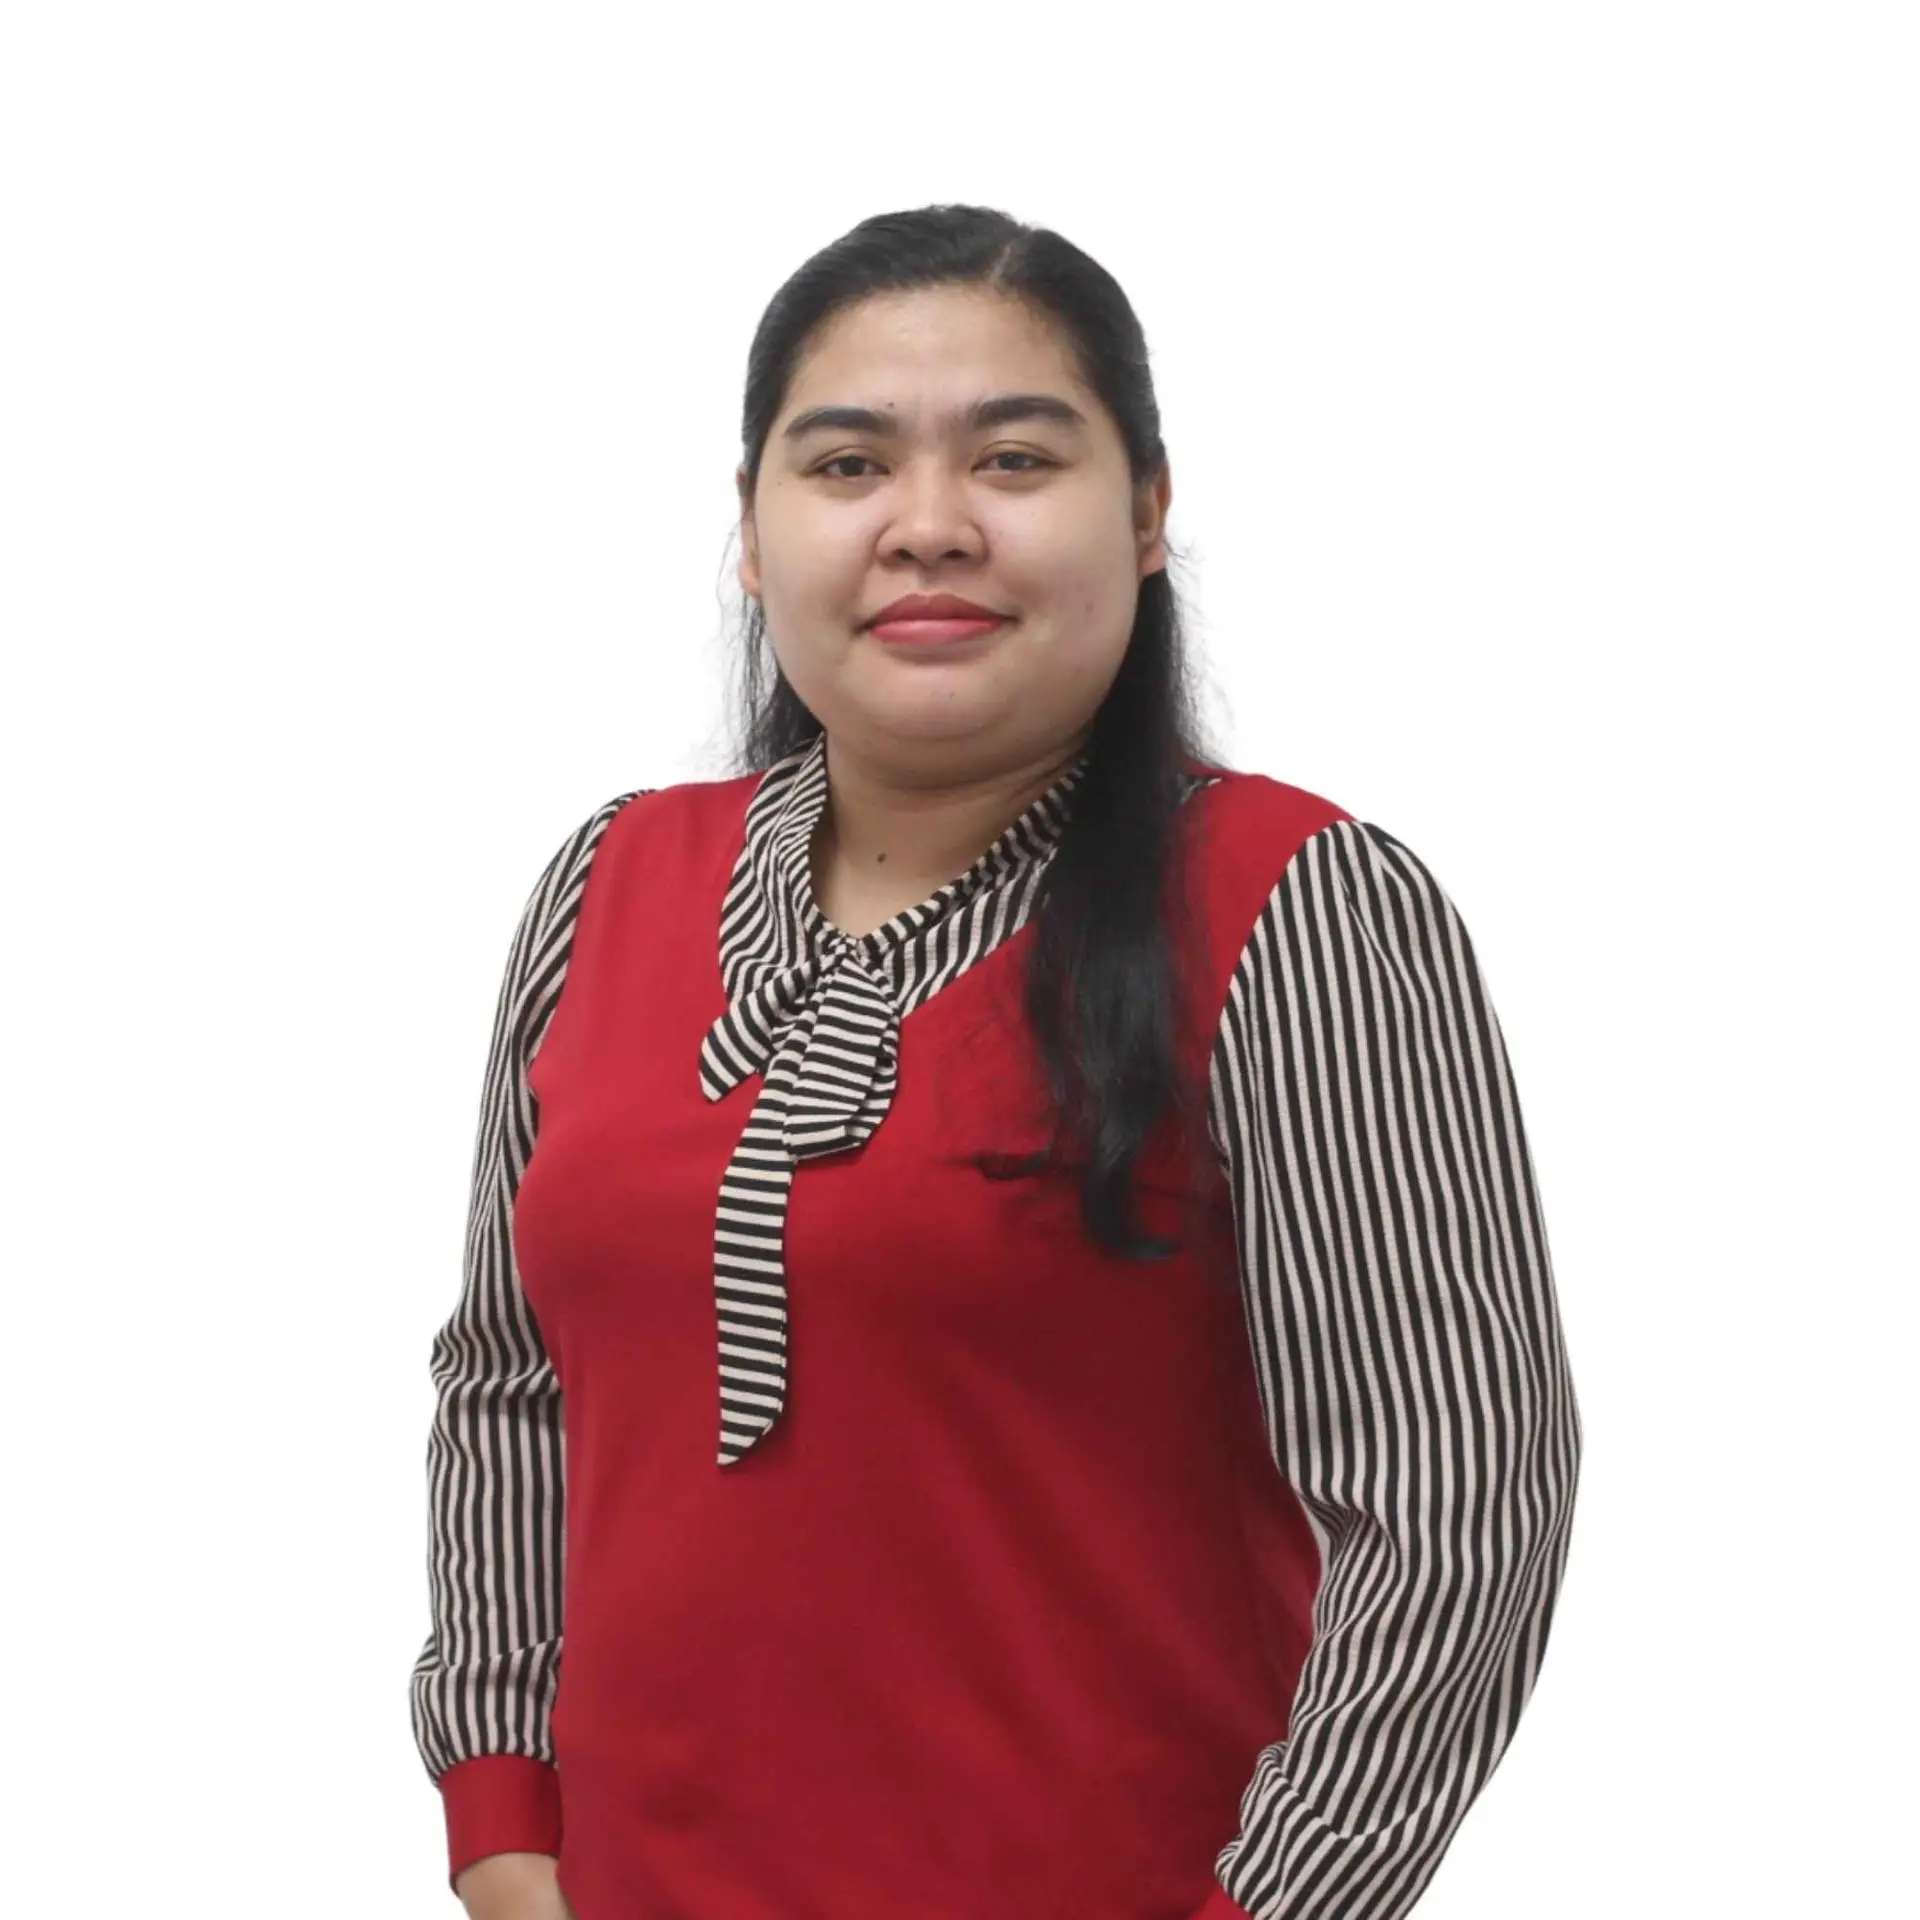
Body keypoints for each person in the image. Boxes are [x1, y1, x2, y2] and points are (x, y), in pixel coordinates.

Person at [408, 202, 1583, 1920]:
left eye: (1016, 458)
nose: (929, 527)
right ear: (749, 529)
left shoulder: (1299, 908)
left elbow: (1457, 1506)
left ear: (1151, 512)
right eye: (846, 466)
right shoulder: (608, 885)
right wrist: (504, 1834)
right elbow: (510, 1388)